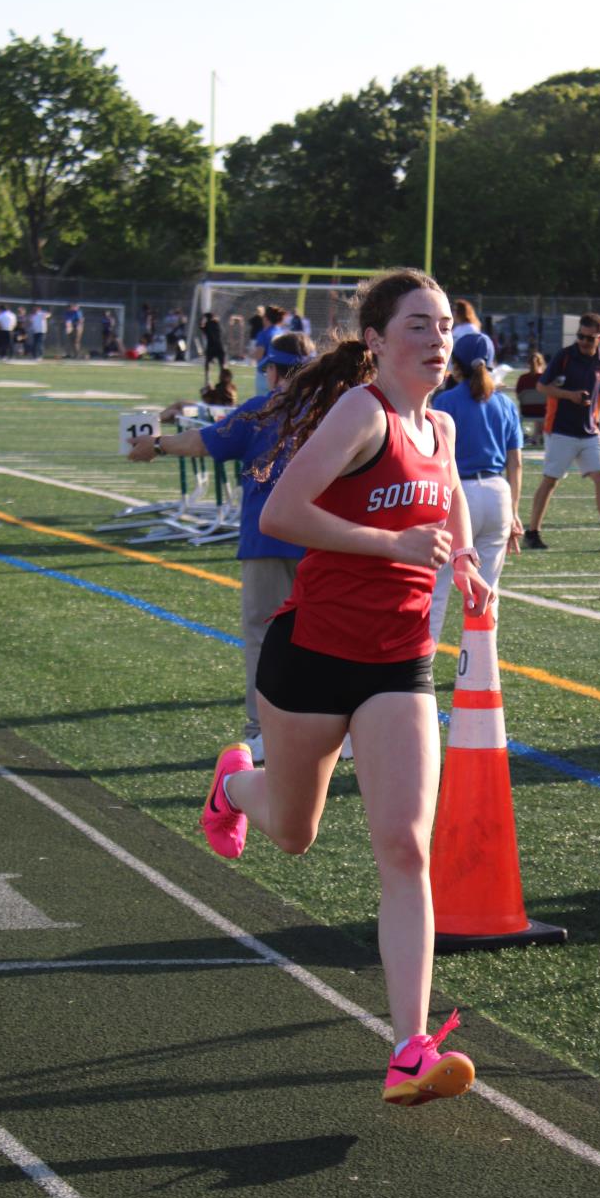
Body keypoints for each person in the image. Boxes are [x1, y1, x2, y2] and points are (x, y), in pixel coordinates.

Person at [195, 269, 492, 1105]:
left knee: (405, 847)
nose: (437, 339)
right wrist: (390, 545)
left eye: (444, 325)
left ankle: (409, 1050)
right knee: (294, 834)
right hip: (313, 656)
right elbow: (282, 514)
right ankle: (235, 786)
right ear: (376, 340)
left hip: (400, 662)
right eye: (418, 325)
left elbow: (450, 502)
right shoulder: (363, 413)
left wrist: (466, 560)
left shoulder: (440, 425)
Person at [130, 333, 315, 762]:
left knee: (265, 638)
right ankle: (330, 728)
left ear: (273, 371)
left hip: (268, 537)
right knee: (324, 639)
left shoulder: (261, 409)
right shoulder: (335, 411)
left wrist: (156, 444)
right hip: (325, 539)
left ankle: (264, 730)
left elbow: (203, 441)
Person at [429, 330, 523, 644]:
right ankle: (481, 665)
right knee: (487, 588)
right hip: (498, 494)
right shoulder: (505, 403)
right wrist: (514, 512)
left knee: (437, 588)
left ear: (456, 364)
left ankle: (422, 663)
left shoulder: (445, 401)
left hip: (459, 495)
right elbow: (516, 463)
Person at [522, 312, 600, 554]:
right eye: (580, 336)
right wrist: (569, 395)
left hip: (589, 432)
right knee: (550, 480)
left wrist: (597, 419)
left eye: (589, 338)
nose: (583, 342)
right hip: (561, 429)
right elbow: (542, 386)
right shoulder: (565, 356)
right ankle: (532, 532)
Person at [201, 311, 226, 384]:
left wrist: (203, 321)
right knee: (222, 364)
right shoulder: (216, 324)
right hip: (219, 345)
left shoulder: (207, 325)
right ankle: (223, 379)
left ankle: (207, 379)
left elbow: (202, 328)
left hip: (211, 346)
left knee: (208, 363)